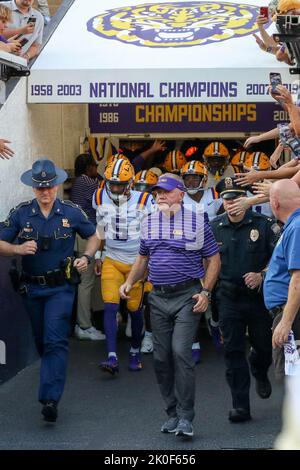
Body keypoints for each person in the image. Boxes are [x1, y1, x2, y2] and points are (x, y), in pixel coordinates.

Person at [120, 173, 220, 438]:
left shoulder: (197, 221)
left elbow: (214, 259)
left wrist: (206, 292)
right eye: (157, 192)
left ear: (180, 193)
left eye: (165, 191)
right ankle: (172, 414)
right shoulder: (149, 222)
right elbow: (143, 258)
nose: (160, 196)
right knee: (161, 358)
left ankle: (187, 417)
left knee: (180, 351)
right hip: (158, 297)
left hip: (187, 295)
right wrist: (130, 281)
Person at [0, 159, 98, 423]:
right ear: (33, 188)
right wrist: (18, 249)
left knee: (55, 340)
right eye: (40, 187)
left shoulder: (71, 211)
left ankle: (50, 398)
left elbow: (95, 235)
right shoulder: (21, 213)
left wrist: (87, 257)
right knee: (43, 341)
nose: (45, 192)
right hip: (31, 288)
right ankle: (52, 379)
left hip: (60, 289)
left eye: (49, 186)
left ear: (56, 185)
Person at [210, 177, 280, 423]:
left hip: (258, 298)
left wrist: (262, 274)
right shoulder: (213, 226)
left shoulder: (265, 225)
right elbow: (205, 262)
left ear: (247, 200)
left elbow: (279, 257)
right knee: (233, 352)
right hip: (228, 296)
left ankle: (260, 370)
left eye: (237, 198)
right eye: (227, 199)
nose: (232, 204)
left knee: (263, 346)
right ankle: (240, 405)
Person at [92, 158, 156, 374]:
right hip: (112, 258)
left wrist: (149, 263)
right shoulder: (99, 195)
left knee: (135, 311)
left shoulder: (146, 199)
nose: (116, 188)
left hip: (137, 262)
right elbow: (100, 226)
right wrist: (99, 254)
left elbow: (153, 233)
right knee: (110, 305)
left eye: (121, 184)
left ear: (131, 182)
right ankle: (111, 356)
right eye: (112, 183)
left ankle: (135, 350)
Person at [181, 160, 223, 363]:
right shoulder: (179, 199)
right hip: (189, 252)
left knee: (213, 292)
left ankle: (214, 324)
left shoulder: (214, 195)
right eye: (187, 177)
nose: (190, 181)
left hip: (211, 252)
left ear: (203, 178)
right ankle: (194, 341)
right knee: (191, 295)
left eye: (194, 177)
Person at [264, 179, 300, 380]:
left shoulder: (297, 226)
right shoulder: (294, 225)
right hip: (291, 312)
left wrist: (286, 322)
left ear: (275, 203)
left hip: (293, 315)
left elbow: (298, 277)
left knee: (293, 382)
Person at [70, 154, 105, 341]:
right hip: (86, 236)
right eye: (95, 166)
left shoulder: (78, 182)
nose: (96, 170)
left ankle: (93, 319)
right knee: (87, 281)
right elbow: (106, 192)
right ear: (89, 168)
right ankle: (84, 325)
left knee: (91, 280)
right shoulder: (87, 182)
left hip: (86, 235)